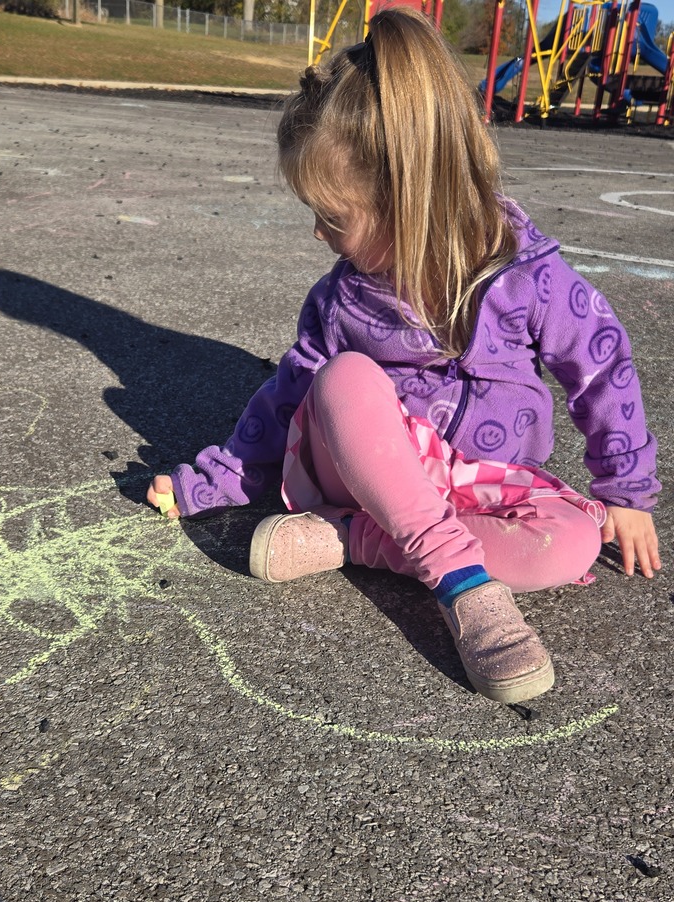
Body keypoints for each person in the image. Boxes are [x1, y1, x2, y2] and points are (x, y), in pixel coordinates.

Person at [147, 7, 661, 705]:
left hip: (472, 482)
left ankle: (353, 543)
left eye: (334, 216)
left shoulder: (525, 278)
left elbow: (602, 368)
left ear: (410, 198)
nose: (319, 234)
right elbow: (286, 398)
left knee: (573, 540)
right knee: (343, 379)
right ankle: (460, 581)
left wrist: (623, 493)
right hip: (367, 472)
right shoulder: (344, 300)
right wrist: (216, 480)